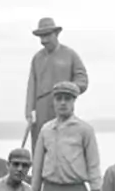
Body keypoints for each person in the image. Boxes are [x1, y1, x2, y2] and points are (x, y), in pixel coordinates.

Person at [26, 18, 88, 147]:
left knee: (63, 142)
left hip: (62, 105)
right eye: (41, 37)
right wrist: (29, 112)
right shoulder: (37, 58)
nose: (44, 40)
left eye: (48, 35)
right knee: (41, 143)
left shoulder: (70, 54)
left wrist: (70, 89)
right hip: (41, 107)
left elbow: (82, 79)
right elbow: (31, 86)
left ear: (56, 34)